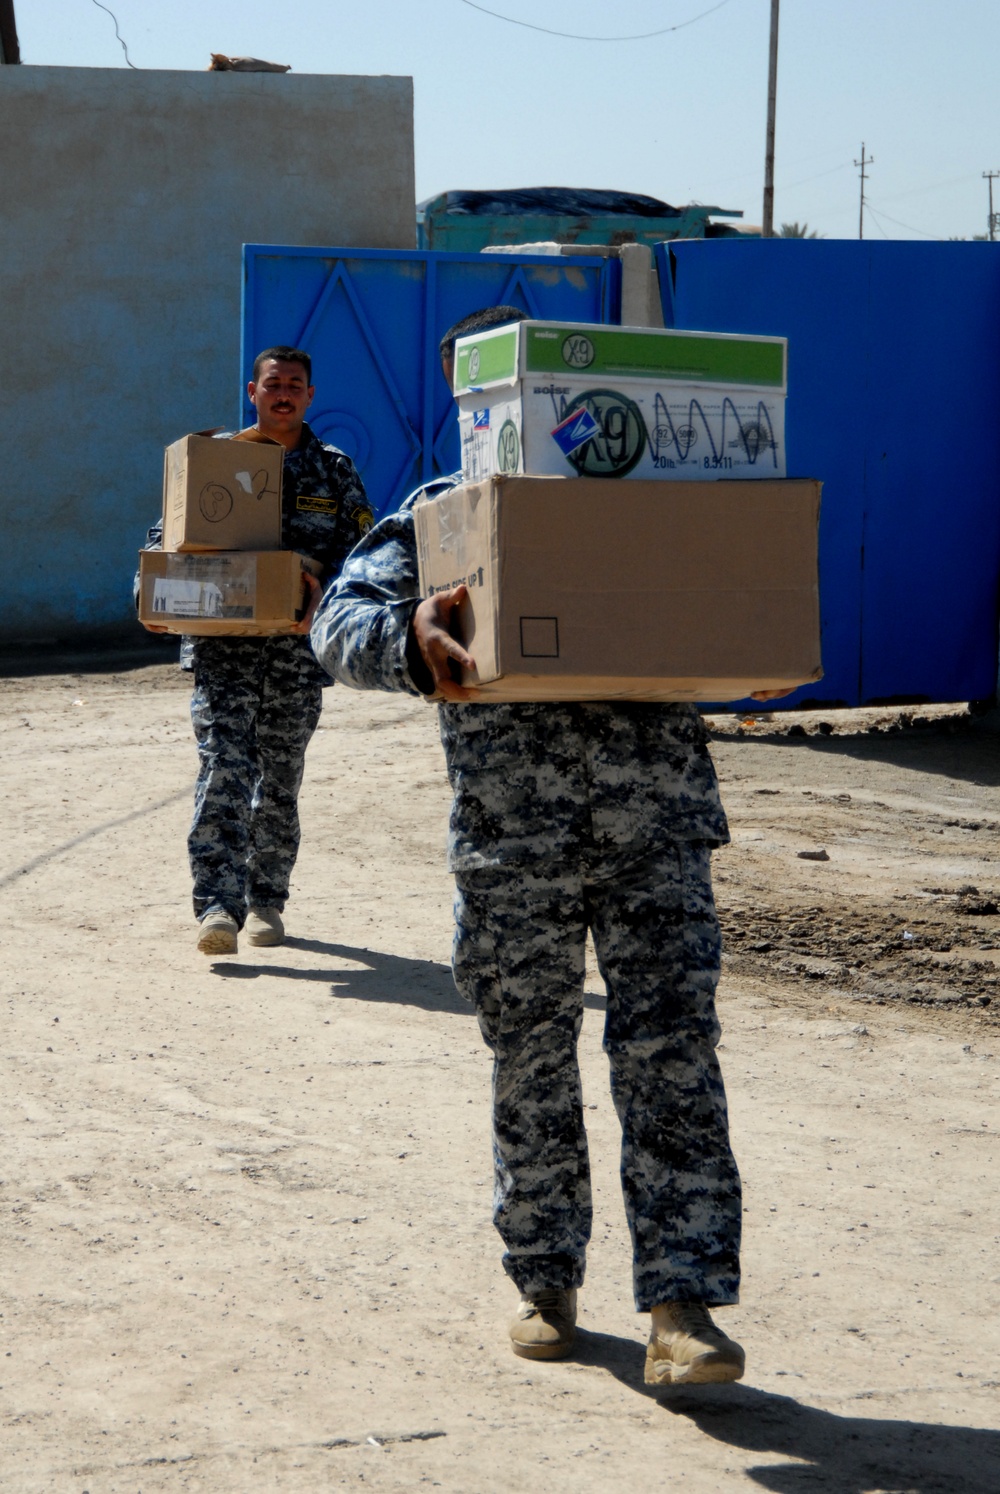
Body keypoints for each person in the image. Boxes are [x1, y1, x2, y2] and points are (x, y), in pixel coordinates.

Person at [310, 305, 771, 1385]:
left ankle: (681, 1305)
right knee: (529, 1064)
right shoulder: (439, 518)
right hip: (512, 845)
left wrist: (753, 639)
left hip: (655, 832)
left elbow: (747, 593)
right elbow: (336, 620)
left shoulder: (656, 512)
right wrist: (412, 643)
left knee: (673, 1064)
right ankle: (544, 1276)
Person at [139, 346, 373, 956]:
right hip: (226, 652)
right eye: (273, 384)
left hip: (297, 654)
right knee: (223, 769)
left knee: (280, 779)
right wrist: (154, 597)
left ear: (310, 396)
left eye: (295, 385)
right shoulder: (216, 461)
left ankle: (267, 898)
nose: (284, 394)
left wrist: (326, 594)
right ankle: (217, 905)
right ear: (253, 391)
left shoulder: (334, 470)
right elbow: (167, 539)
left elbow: (367, 558)